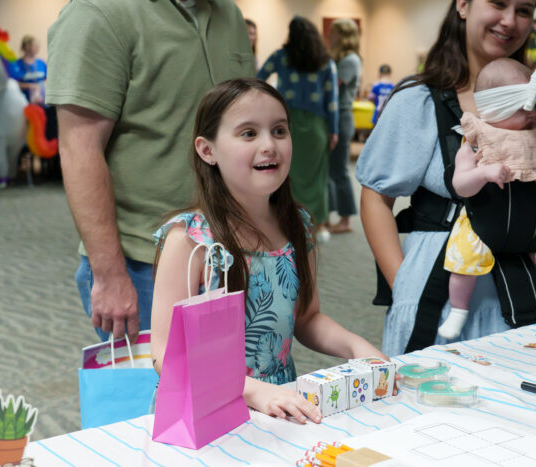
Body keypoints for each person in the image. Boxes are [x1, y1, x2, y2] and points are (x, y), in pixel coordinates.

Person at [151, 78, 389, 422]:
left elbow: (306, 318)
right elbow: (163, 355)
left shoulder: (298, 224)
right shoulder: (191, 239)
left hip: (278, 404)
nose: (269, 145)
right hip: (207, 412)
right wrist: (250, 390)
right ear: (207, 150)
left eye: (279, 131)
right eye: (248, 133)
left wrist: (356, 346)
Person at [357, 0, 536, 357]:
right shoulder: (419, 100)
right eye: (498, 3)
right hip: (445, 291)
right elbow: (376, 197)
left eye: (524, 10)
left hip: (531, 287)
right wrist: (401, 283)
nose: (509, 21)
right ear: (463, 5)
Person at [46, 0, 254, 342]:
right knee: (153, 395)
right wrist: (110, 275)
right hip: (142, 263)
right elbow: (79, 149)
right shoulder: (97, 12)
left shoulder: (227, 13)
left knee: (225, 391)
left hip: (225, 254)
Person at [438, 57, 536, 340]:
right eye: (522, 108)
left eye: (533, 105)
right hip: (484, 228)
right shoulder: (476, 143)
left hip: (535, 227)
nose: (532, 113)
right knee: (462, 264)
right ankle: (458, 310)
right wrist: (484, 173)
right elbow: (460, 186)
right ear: (496, 108)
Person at [257, 16, 338, 243]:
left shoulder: (281, 57)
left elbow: (258, 78)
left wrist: (267, 106)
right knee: (317, 178)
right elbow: (331, 100)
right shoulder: (325, 61)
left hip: (285, 123)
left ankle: (288, 225)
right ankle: (317, 225)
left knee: (285, 175)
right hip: (316, 126)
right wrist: (334, 131)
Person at [327, 18, 361, 234]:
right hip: (335, 116)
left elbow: (331, 86)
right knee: (331, 170)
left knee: (339, 170)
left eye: (333, 33)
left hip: (341, 117)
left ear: (343, 35)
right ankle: (331, 216)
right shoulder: (342, 59)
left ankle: (346, 220)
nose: (330, 37)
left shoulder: (350, 60)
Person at [10, 35, 46, 105]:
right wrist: (30, 86)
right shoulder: (17, 64)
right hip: (25, 103)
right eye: (35, 46)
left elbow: (47, 79)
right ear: (27, 46)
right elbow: (13, 84)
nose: (37, 48)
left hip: (42, 103)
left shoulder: (41, 63)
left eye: (38, 46)